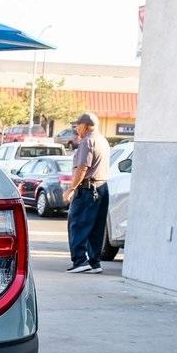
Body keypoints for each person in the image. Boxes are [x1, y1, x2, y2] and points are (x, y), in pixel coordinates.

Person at [63, 112, 110, 273]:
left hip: (87, 189)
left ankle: (80, 261)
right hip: (102, 187)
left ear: (85, 126)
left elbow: (83, 168)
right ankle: (94, 262)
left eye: (77, 125)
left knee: (78, 224)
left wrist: (71, 189)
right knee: (96, 227)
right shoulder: (102, 140)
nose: (76, 128)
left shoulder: (87, 142)